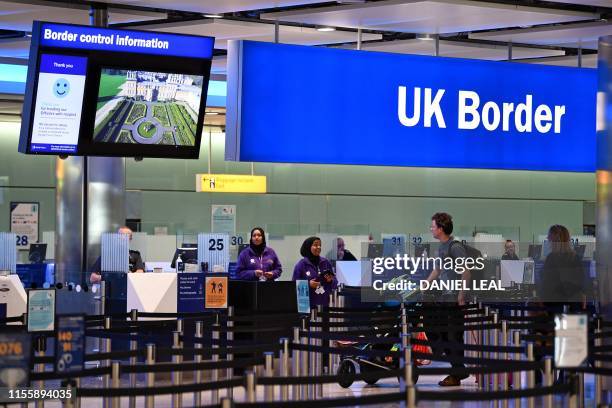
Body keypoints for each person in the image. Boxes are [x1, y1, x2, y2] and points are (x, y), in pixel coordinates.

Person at [424, 212, 470, 387]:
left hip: (453, 298)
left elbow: (465, 272)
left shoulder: (455, 247)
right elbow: (438, 270)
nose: (431, 229)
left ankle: (456, 374)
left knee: (453, 336)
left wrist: (461, 295)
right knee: (441, 332)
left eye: (433, 226)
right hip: (445, 296)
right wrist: (426, 284)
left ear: (441, 228)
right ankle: (457, 370)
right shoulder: (442, 247)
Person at [538, 225, 585, 308]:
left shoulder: (551, 258)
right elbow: (580, 284)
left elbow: (546, 286)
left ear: (556, 238)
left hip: (554, 306)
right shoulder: (575, 258)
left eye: (549, 236)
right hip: (573, 305)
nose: (548, 239)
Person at [293, 236, 337, 307]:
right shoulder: (301, 265)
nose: (319, 247)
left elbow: (335, 283)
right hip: (307, 306)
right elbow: (294, 286)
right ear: (308, 247)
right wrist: (308, 284)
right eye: (315, 245)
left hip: (325, 304)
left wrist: (330, 281)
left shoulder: (325, 262)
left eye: (320, 245)